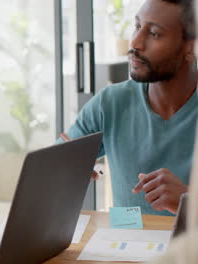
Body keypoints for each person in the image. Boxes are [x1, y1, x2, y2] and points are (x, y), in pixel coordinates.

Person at [62, 0, 197, 216]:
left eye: (154, 33)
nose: (135, 42)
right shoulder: (110, 102)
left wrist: (189, 203)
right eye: (137, 26)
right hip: (122, 238)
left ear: (190, 47)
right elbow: (55, 162)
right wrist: (65, 165)